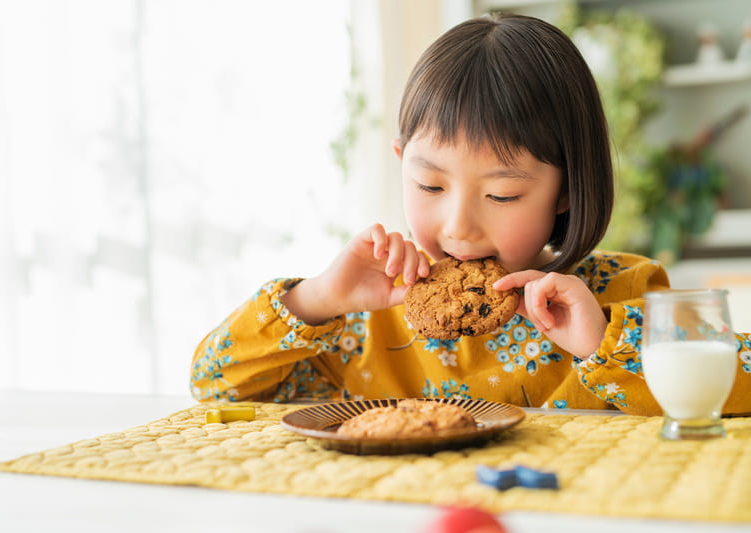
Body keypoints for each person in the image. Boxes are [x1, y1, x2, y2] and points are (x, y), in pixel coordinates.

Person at [190, 13, 751, 415]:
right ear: (400, 163)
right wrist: (313, 299)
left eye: (502, 195)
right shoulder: (360, 317)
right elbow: (214, 384)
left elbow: (737, 386)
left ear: (566, 190)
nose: (458, 226)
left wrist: (603, 341)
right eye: (430, 184)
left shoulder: (623, 293)